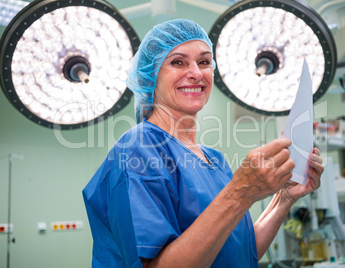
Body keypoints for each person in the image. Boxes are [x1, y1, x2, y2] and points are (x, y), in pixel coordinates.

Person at [83, 19, 324, 268]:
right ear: (151, 75)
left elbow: (241, 252)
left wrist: (283, 198)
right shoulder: (139, 149)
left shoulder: (215, 161)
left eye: (204, 62)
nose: (197, 73)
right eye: (178, 62)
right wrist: (241, 191)